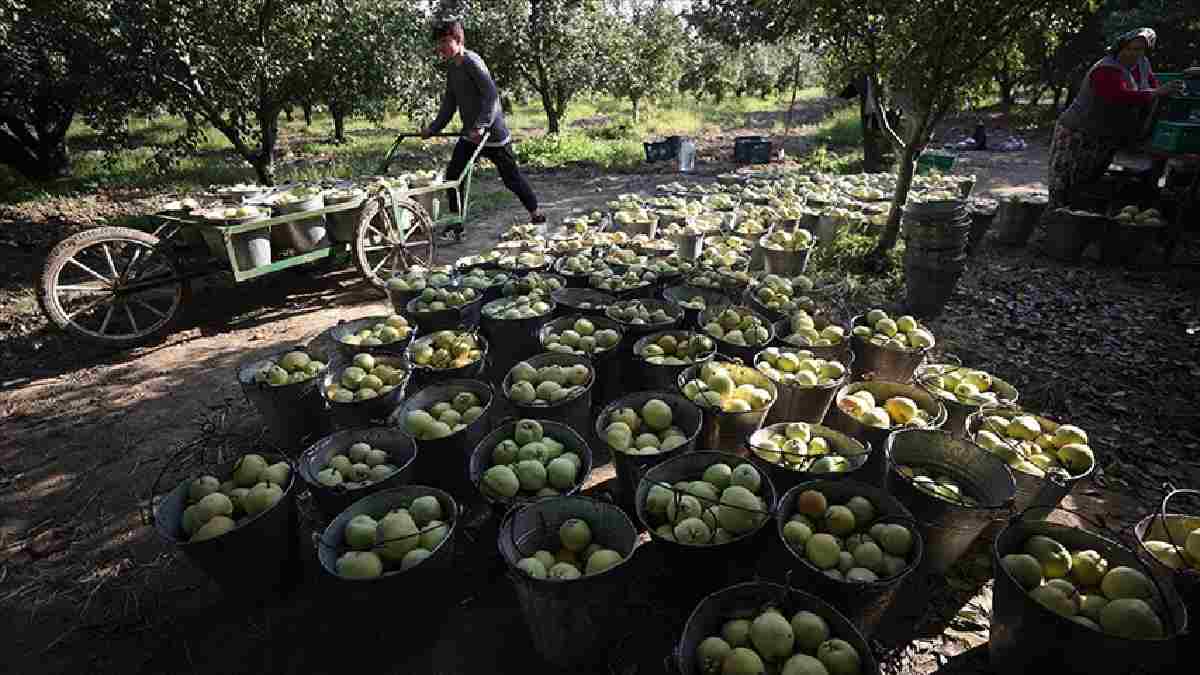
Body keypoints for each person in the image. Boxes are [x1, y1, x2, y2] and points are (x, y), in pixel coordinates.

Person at [422, 20, 544, 241]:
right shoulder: (452, 67)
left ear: (458, 40)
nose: (440, 47)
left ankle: (537, 215)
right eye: (438, 43)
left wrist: (481, 125)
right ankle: (457, 224)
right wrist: (434, 128)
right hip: (471, 135)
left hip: (492, 135)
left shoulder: (472, 61)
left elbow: (491, 96)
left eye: (444, 42)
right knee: (453, 177)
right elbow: (450, 103)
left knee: (511, 179)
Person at [1047, 28, 1184, 211]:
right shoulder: (1105, 69)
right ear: (1120, 48)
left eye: (1140, 50)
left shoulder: (1143, 64)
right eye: (1130, 48)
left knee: (1088, 183)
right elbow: (1119, 97)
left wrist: (1162, 93)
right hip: (1078, 132)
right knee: (1066, 183)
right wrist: (1156, 93)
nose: (1134, 53)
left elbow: (1151, 88)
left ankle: (1078, 224)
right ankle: (1054, 222)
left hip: (1105, 136)